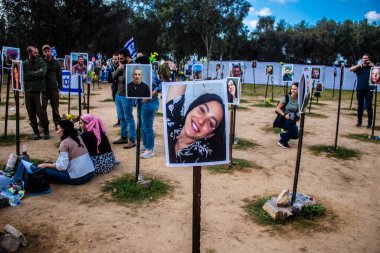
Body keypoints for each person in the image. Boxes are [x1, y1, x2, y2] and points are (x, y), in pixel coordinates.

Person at [165, 84, 226, 163]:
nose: (201, 121)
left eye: (211, 123)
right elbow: (177, 84)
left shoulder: (202, 156)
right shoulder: (173, 121)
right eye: (202, 110)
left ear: (210, 135)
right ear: (192, 107)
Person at [38, 120, 95, 185]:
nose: (57, 132)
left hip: (79, 178)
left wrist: (45, 165)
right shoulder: (78, 137)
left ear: (64, 130)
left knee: (45, 169)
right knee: (51, 166)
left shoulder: (64, 143)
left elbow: (62, 167)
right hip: (90, 173)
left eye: (58, 129)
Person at [135, 55, 162, 159]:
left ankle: (150, 149)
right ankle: (146, 146)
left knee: (147, 127)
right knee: (143, 126)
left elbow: (160, 86)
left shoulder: (150, 73)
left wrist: (149, 96)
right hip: (142, 103)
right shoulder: (143, 73)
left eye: (138, 64)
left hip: (149, 103)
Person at [22, 46, 49, 140]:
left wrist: (31, 74)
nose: (37, 54)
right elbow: (24, 77)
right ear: (29, 53)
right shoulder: (24, 64)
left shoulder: (42, 62)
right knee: (31, 113)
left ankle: (46, 130)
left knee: (41, 112)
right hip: (28, 91)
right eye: (35, 53)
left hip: (39, 91)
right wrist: (35, 75)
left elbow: (42, 73)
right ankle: (35, 131)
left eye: (37, 52)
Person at [112, 48, 136, 149]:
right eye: (119, 58)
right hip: (118, 94)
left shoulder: (133, 65)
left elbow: (125, 79)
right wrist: (119, 69)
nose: (119, 60)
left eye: (121, 58)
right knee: (121, 117)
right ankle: (124, 137)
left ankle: (132, 139)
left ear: (127, 56)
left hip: (127, 95)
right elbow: (113, 77)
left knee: (128, 117)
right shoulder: (123, 65)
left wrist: (119, 77)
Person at [349, 53, 375, 128]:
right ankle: (359, 122)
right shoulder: (359, 67)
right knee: (360, 106)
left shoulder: (371, 68)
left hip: (369, 89)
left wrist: (371, 64)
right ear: (362, 59)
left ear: (369, 59)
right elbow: (351, 69)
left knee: (369, 106)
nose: (365, 59)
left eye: (366, 58)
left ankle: (369, 123)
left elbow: (377, 70)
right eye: (363, 58)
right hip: (360, 89)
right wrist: (360, 64)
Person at [42, 44, 62, 130]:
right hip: (43, 89)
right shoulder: (41, 62)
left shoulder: (56, 62)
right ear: (43, 53)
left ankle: (57, 123)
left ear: (51, 51)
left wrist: (60, 86)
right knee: (42, 108)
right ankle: (43, 124)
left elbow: (59, 75)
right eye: (45, 51)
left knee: (55, 107)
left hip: (54, 88)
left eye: (48, 51)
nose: (47, 53)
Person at [275, 83, 300, 148]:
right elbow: (277, 109)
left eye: (295, 89)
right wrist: (285, 114)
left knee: (296, 135)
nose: (292, 90)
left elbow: (297, 111)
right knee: (294, 129)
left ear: (299, 90)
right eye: (292, 89)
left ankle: (283, 135)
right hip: (282, 119)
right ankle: (282, 141)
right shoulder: (286, 97)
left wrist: (297, 117)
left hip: (291, 120)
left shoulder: (299, 99)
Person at [108, 53, 120, 127]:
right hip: (114, 90)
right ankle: (119, 121)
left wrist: (116, 79)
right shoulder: (111, 69)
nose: (114, 60)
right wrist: (114, 80)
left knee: (122, 107)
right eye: (113, 59)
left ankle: (122, 121)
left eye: (116, 59)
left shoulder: (121, 68)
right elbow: (109, 79)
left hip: (121, 90)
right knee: (117, 106)